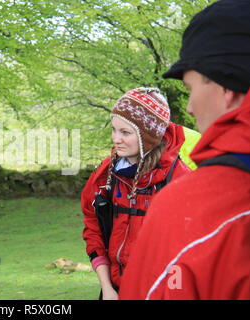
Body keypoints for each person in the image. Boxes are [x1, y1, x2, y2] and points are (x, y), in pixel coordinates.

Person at [119, 0, 250, 300]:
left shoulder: (192, 207)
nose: (189, 107)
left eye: (191, 89)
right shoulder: (106, 173)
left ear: (226, 87)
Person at [81, 87, 191, 300]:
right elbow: (93, 227)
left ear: (148, 137)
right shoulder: (106, 176)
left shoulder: (180, 181)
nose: (116, 139)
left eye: (125, 132)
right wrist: (107, 288)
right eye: (114, 129)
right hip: (115, 291)